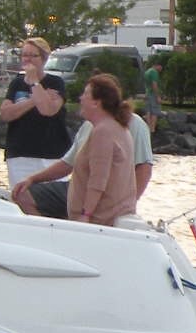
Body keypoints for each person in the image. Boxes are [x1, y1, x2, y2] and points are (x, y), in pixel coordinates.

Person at [16, 74, 137, 225]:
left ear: (96, 103)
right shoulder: (118, 128)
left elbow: (98, 180)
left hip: (100, 219)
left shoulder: (103, 131)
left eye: (85, 94)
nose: (80, 98)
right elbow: (68, 164)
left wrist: (86, 214)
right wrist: (33, 178)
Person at [0, 37, 70, 186]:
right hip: (20, 153)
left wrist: (35, 83)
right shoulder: (17, 84)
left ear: (43, 58)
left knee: (51, 201)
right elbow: (6, 113)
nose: (28, 59)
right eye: (25, 55)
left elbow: (48, 110)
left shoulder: (56, 83)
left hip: (51, 155)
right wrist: (33, 100)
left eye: (33, 55)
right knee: (21, 197)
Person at [142, 56, 163, 131]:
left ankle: (148, 128)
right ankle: (152, 129)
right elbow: (154, 85)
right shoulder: (154, 72)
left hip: (148, 94)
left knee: (148, 111)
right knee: (155, 112)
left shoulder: (147, 72)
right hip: (153, 94)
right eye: (161, 67)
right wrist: (158, 96)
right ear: (157, 65)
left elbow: (146, 84)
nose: (161, 69)